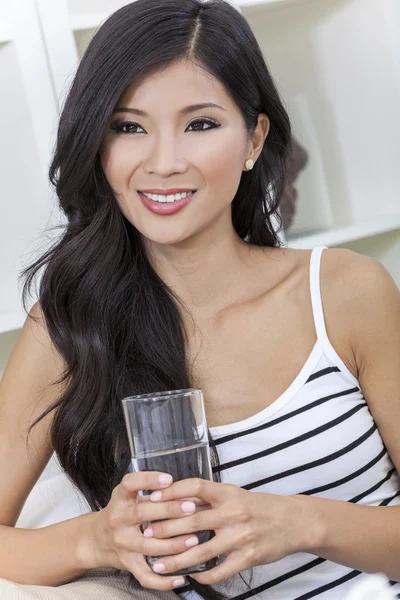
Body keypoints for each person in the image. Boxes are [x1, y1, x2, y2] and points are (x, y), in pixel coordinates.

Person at [0, 0, 399, 599]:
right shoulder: (70, 330)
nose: (163, 163)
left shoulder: (344, 291)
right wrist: (98, 540)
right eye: (128, 127)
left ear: (254, 139)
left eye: (202, 123)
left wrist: (298, 522)